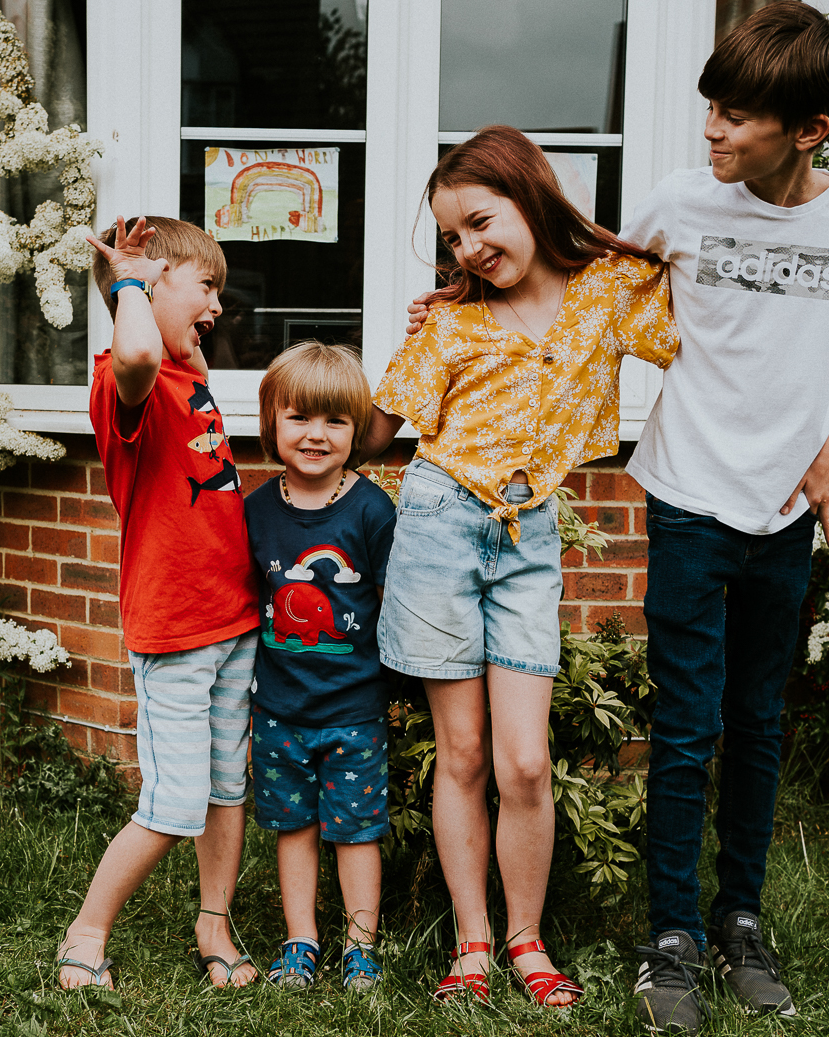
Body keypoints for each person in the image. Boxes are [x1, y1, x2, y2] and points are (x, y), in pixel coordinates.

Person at [616, 6, 829, 1032]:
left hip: (785, 508)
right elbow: (588, 279)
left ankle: (740, 917)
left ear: (810, 129)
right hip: (688, 493)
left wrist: (826, 452)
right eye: (711, 111)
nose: (712, 132)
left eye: (736, 117)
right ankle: (671, 936)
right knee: (687, 727)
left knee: (758, 724)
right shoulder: (681, 203)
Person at [357, 125, 681, 1007]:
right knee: (461, 754)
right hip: (436, 523)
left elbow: (711, 324)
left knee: (525, 762)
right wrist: (393, 346)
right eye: (453, 237)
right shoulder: (452, 321)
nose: (469, 248)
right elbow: (379, 432)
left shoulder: (613, 291)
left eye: (480, 221)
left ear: (529, 193)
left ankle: (527, 941)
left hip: (527, 535)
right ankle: (471, 944)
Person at [57, 215, 263, 991]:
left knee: (224, 788)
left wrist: (182, 317)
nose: (217, 303)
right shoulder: (126, 381)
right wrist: (130, 280)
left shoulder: (188, 376)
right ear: (145, 290)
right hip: (176, 629)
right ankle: (87, 930)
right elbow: (141, 343)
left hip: (233, 619)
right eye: (205, 285)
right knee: (175, 802)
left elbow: (179, 346)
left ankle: (213, 927)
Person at [243, 341, 397, 993]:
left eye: (335, 420)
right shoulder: (254, 511)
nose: (316, 434)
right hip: (278, 708)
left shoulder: (370, 510)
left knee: (357, 832)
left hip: (353, 711)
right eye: (300, 416)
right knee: (294, 826)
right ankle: (300, 941)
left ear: (358, 430)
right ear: (272, 421)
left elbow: (395, 602)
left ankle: (361, 948)